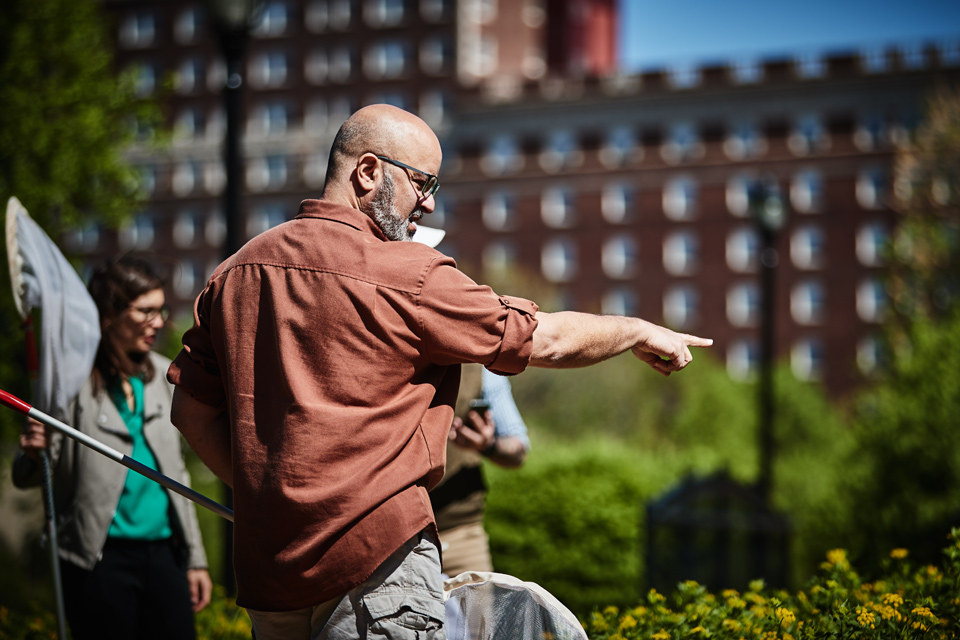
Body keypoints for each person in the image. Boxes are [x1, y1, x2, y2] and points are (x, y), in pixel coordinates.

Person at [167, 104, 712, 640]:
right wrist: (637, 330)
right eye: (422, 182)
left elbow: (190, 412)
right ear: (368, 171)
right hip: (374, 568)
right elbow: (545, 338)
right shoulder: (410, 274)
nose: (427, 204)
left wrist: (274, 495)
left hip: (270, 574)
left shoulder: (233, 274)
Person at [13, 256, 212, 640]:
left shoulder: (163, 375)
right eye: (146, 311)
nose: (160, 322)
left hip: (165, 555)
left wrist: (195, 560)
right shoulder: (70, 384)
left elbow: (178, 477)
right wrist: (34, 453)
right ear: (109, 315)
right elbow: (31, 476)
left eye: (161, 310)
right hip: (97, 560)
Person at [432, 364, 529, 577]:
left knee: (479, 610)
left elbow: (519, 449)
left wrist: (489, 445)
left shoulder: (480, 365)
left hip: (459, 531)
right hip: (388, 536)